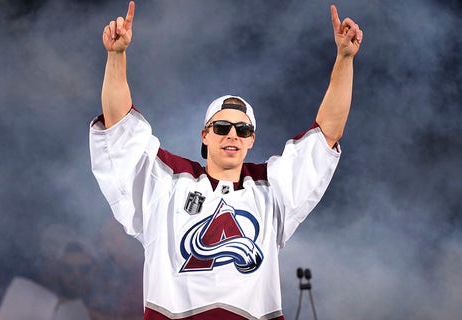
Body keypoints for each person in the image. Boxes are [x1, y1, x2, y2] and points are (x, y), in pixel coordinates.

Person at [89, 1, 362, 319]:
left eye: (242, 129)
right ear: (205, 135)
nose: (232, 134)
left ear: (251, 140)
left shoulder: (271, 188)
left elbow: (327, 132)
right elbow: (120, 127)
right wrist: (116, 56)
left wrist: (344, 59)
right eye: (222, 127)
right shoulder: (166, 182)